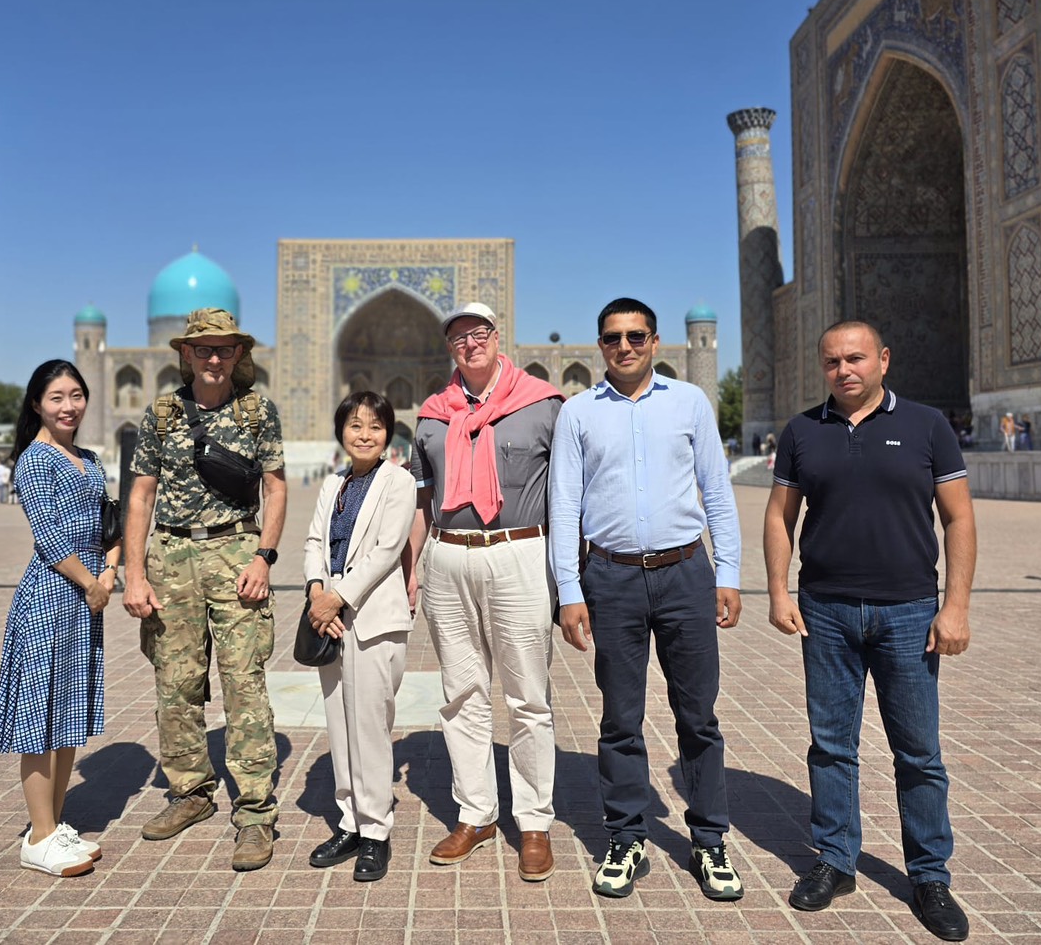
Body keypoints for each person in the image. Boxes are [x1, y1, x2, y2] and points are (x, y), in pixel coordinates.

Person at [764, 321, 975, 943]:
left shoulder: (927, 426)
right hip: (826, 609)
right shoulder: (803, 431)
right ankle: (836, 860)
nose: (844, 370)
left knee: (918, 752)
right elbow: (780, 516)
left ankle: (929, 875)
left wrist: (955, 606)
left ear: (883, 359)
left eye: (855, 358)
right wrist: (778, 591)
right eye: (832, 361)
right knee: (832, 745)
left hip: (908, 611)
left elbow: (959, 518)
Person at [549, 298, 744, 902]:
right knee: (620, 717)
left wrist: (729, 573)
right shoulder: (578, 412)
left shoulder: (689, 402)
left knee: (698, 716)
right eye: (613, 338)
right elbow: (564, 504)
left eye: (636, 336)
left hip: (685, 572)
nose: (625, 346)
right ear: (599, 346)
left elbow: (716, 489)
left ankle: (709, 840)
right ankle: (626, 835)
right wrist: (569, 589)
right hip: (611, 577)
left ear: (656, 342)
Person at [122, 307, 287, 872]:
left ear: (238, 354)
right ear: (186, 354)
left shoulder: (257, 411)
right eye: (203, 348)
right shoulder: (161, 414)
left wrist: (264, 557)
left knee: (244, 683)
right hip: (171, 556)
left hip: (236, 551)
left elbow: (275, 488)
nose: (213, 358)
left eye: (224, 348)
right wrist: (136, 573)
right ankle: (190, 792)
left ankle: (255, 811)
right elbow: (141, 494)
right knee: (176, 683)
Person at [405, 301, 564, 882]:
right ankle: (476, 814)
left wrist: (571, 579)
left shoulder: (543, 405)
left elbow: (568, 497)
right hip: (449, 555)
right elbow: (423, 500)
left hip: (519, 552)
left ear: (497, 337)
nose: (469, 344)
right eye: (458, 338)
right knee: (461, 694)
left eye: (478, 334)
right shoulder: (432, 416)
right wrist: (412, 568)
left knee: (527, 697)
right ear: (450, 348)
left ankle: (534, 822)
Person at [0, 359, 119, 877]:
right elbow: (47, 537)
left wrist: (109, 571)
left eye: (76, 395)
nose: (69, 407)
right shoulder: (35, 460)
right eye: (57, 398)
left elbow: (109, 524)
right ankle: (39, 837)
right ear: (37, 404)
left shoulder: (89, 459)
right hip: (51, 593)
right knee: (38, 717)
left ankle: (54, 823)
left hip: (87, 595)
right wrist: (92, 583)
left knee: (65, 712)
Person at [302, 391, 418, 883]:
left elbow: (387, 550)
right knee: (340, 724)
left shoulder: (399, 481)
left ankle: (375, 830)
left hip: (371, 617)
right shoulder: (334, 483)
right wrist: (316, 592)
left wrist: (337, 598)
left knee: (369, 726)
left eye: (374, 426)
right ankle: (350, 820)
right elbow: (314, 541)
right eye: (355, 425)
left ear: (388, 433)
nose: (364, 435)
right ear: (341, 432)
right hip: (329, 616)